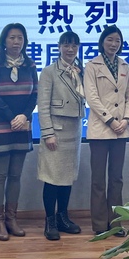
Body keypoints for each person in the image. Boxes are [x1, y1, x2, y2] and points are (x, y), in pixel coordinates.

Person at [0, 23, 37, 241]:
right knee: (0, 175)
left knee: (16, 175)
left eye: (20, 38)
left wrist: (23, 116)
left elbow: (35, 94)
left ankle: (11, 219)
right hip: (0, 125)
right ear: (4, 41)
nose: (16, 42)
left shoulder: (30, 64)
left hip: (22, 126)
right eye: (12, 38)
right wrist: (11, 117)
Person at [84, 25, 129, 236]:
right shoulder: (91, 65)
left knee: (116, 179)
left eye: (117, 41)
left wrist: (127, 119)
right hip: (100, 130)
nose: (114, 44)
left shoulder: (124, 65)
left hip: (121, 130)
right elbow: (92, 97)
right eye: (110, 40)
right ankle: (99, 225)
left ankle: (116, 224)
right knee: (98, 180)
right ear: (102, 41)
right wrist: (110, 120)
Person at [37, 31, 85, 241]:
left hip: (74, 130)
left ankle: (63, 217)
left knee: (66, 177)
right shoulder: (49, 72)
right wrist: (48, 133)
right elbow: (43, 105)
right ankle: (50, 221)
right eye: (66, 45)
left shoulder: (80, 70)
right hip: (55, 131)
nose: (70, 49)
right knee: (52, 178)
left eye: (74, 46)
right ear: (59, 47)